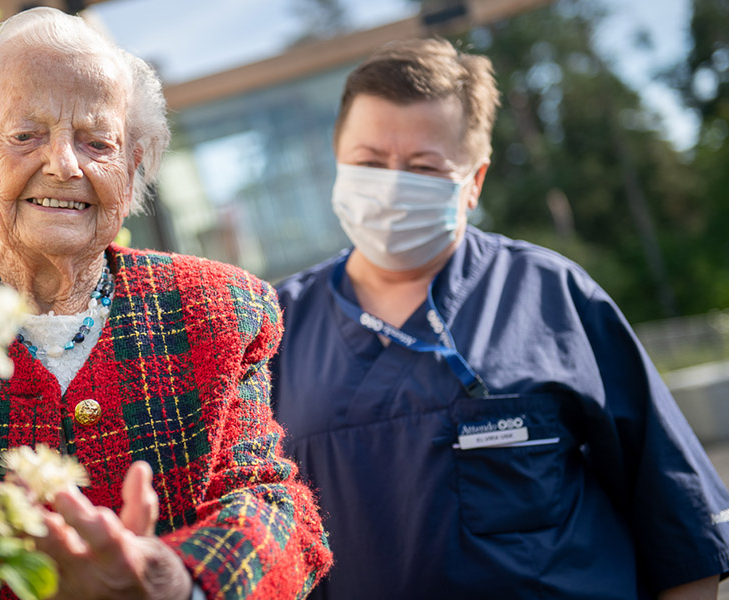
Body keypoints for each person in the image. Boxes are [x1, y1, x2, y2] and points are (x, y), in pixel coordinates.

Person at [0, 8, 331, 600]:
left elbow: (275, 504)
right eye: (25, 135)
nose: (64, 165)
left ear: (133, 168)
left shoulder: (218, 310)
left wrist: (176, 578)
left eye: (98, 142)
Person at [269, 38, 729, 599]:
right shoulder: (272, 328)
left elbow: (678, 524)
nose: (391, 186)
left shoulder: (550, 296)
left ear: (474, 182)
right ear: (337, 163)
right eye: (368, 163)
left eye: (422, 167)